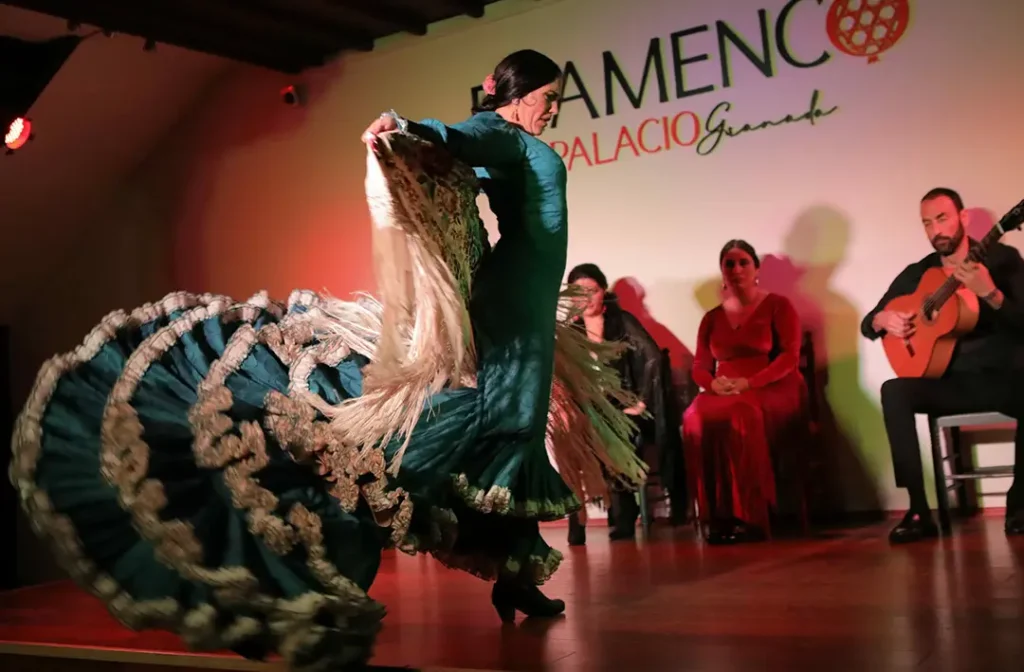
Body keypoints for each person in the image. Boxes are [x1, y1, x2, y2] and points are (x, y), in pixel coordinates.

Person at [9, 50, 646, 671]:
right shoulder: (502, 133)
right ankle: (321, 550)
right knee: (486, 430)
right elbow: (463, 133)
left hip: (526, 302)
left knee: (512, 435)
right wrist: (406, 127)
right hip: (513, 308)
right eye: (545, 100)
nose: (551, 112)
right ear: (513, 94)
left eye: (555, 103)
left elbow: (467, 160)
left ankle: (514, 576)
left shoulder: (513, 145)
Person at [861, 187, 1024, 543]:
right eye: (927, 223)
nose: (936, 230)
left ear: (963, 218)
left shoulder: (1003, 259)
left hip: (1003, 377)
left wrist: (990, 294)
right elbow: (868, 322)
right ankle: (919, 510)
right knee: (894, 391)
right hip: (950, 383)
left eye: (942, 218)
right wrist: (883, 319)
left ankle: (1020, 504)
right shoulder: (918, 274)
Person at [682, 240, 809, 544]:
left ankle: (752, 517)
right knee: (692, 418)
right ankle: (717, 517)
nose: (736, 269)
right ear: (722, 272)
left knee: (742, 414)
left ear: (756, 269)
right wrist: (711, 384)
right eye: (729, 264)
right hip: (725, 387)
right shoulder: (711, 318)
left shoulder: (779, 305)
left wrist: (750, 383)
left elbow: (790, 357)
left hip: (773, 385)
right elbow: (701, 364)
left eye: (743, 263)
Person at [562, 263, 683, 544]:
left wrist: (641, 402)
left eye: (592, 291)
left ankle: (624, 514)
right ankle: (576, 522)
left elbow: (653, 358)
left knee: (611, 432)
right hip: (587, 409)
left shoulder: (622, 321)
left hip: (619, 407)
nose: (586, 298)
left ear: (604, 292)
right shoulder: (571, 333)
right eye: (578, 292)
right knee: (565, 440)